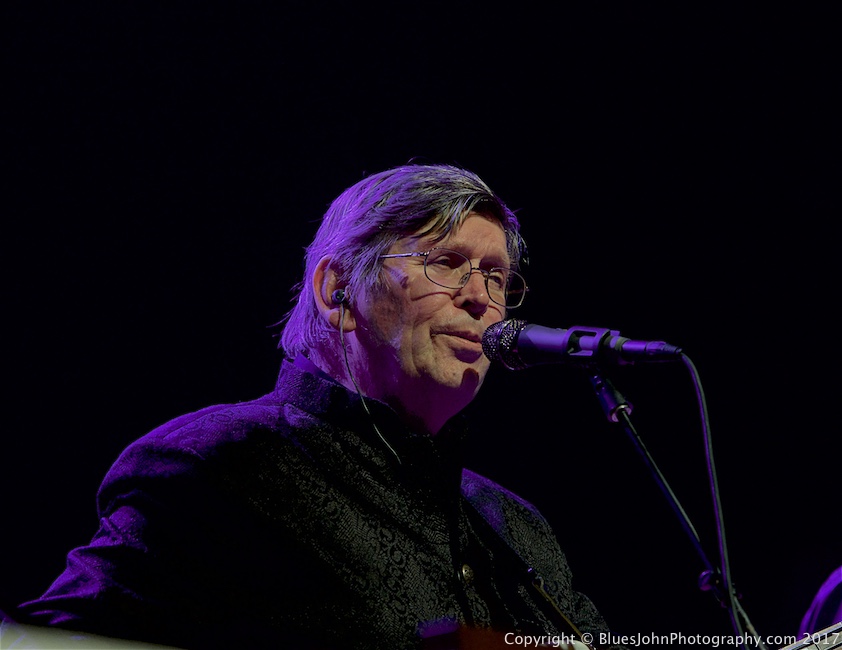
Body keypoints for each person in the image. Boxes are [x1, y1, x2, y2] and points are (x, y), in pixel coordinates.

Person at [10, 164, 627, 649]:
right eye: (446, 262)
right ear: (338, 292)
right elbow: (52, 645)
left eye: (497, 277)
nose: (481, 300)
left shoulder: (514, 526)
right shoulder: (222, 467)